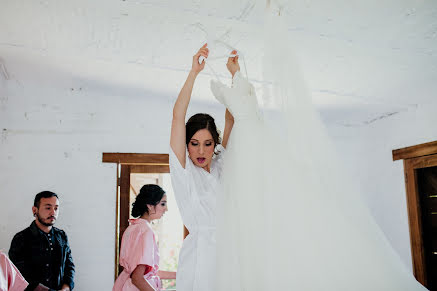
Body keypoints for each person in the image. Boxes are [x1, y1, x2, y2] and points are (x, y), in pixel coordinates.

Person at [209, 13, 429, 291]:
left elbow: (235, 109)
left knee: (266, 202)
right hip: (250, 141)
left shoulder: (242, 108)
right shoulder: (241, 115)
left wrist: (234, 73)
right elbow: (232, 115)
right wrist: (234, 74)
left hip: (250, 141)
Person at [169, 44, 238, 290]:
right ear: (186, 145)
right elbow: (178, 116)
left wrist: (234, 76)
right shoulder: (183, 171)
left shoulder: (222, 164)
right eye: (194, 143)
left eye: (207, 144)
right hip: (199, 255)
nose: (200, 151)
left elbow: (231, 118)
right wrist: (193, 73)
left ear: (215, 144)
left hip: (230, 253)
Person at [113, 184, 176, 291]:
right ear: (150, 206)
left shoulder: (132, 227)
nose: (166, 209)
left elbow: (146, 272)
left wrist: (181, 275)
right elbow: (137, 278)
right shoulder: (146, 231)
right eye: (163, 204)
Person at [8, 191, 75, 291]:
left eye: (56, 208)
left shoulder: (61, 236)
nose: (53, 213)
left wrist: (66, 288)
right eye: (48, 208)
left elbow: (69, 267)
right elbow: (19, 276)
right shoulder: (21, 238)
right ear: (35, 210)